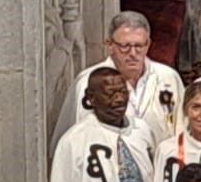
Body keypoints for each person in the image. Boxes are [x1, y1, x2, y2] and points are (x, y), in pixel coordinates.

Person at [58, 10, 184, 148]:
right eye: (125, 46)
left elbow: (183, 130)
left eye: (139, 46)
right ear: (110, 45)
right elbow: (77, 138)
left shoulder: (168, 77)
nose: (133, 54)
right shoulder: (89, 82)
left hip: (160, 165)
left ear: (148, 44)